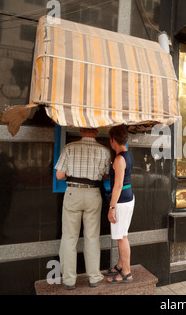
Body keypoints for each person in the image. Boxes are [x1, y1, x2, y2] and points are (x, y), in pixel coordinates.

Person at [55, 128, 111, 290]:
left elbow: (59, 175)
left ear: (80, 131)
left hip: (73, 192)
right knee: (92, 237)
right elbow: (107, 174)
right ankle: (94, 277)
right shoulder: (104, 150)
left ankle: (69, 280)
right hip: (93, 194)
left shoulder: (69, 148)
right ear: (96, 132)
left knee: (69, 237)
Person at [105, 124, 135, 284]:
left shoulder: (118, 159)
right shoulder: (128, 155)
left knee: (121, 237)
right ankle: (120, 265)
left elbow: (117, 185)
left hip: (121, 201)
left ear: (112, 141)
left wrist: (111, 207)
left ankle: (126, 272)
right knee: (123, 233)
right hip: (128, 197)